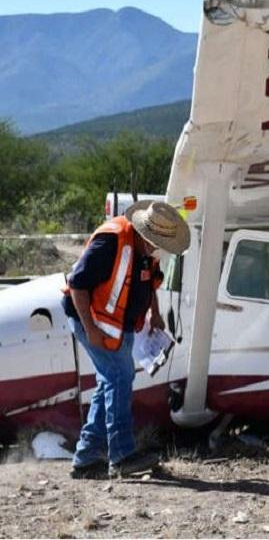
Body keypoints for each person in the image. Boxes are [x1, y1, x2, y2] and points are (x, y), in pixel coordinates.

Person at [62, 200, 190, 479]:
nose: (161, 250)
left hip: (121, 326)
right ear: (146, 233)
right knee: (119, 377)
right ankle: (121, 456)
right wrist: (91, 329)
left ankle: (86, 458)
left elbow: (150, 282)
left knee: (110, 381)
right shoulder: (111, 241)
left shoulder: (148, 250)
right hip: (93, 321)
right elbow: (77, 284)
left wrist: (155, 313)